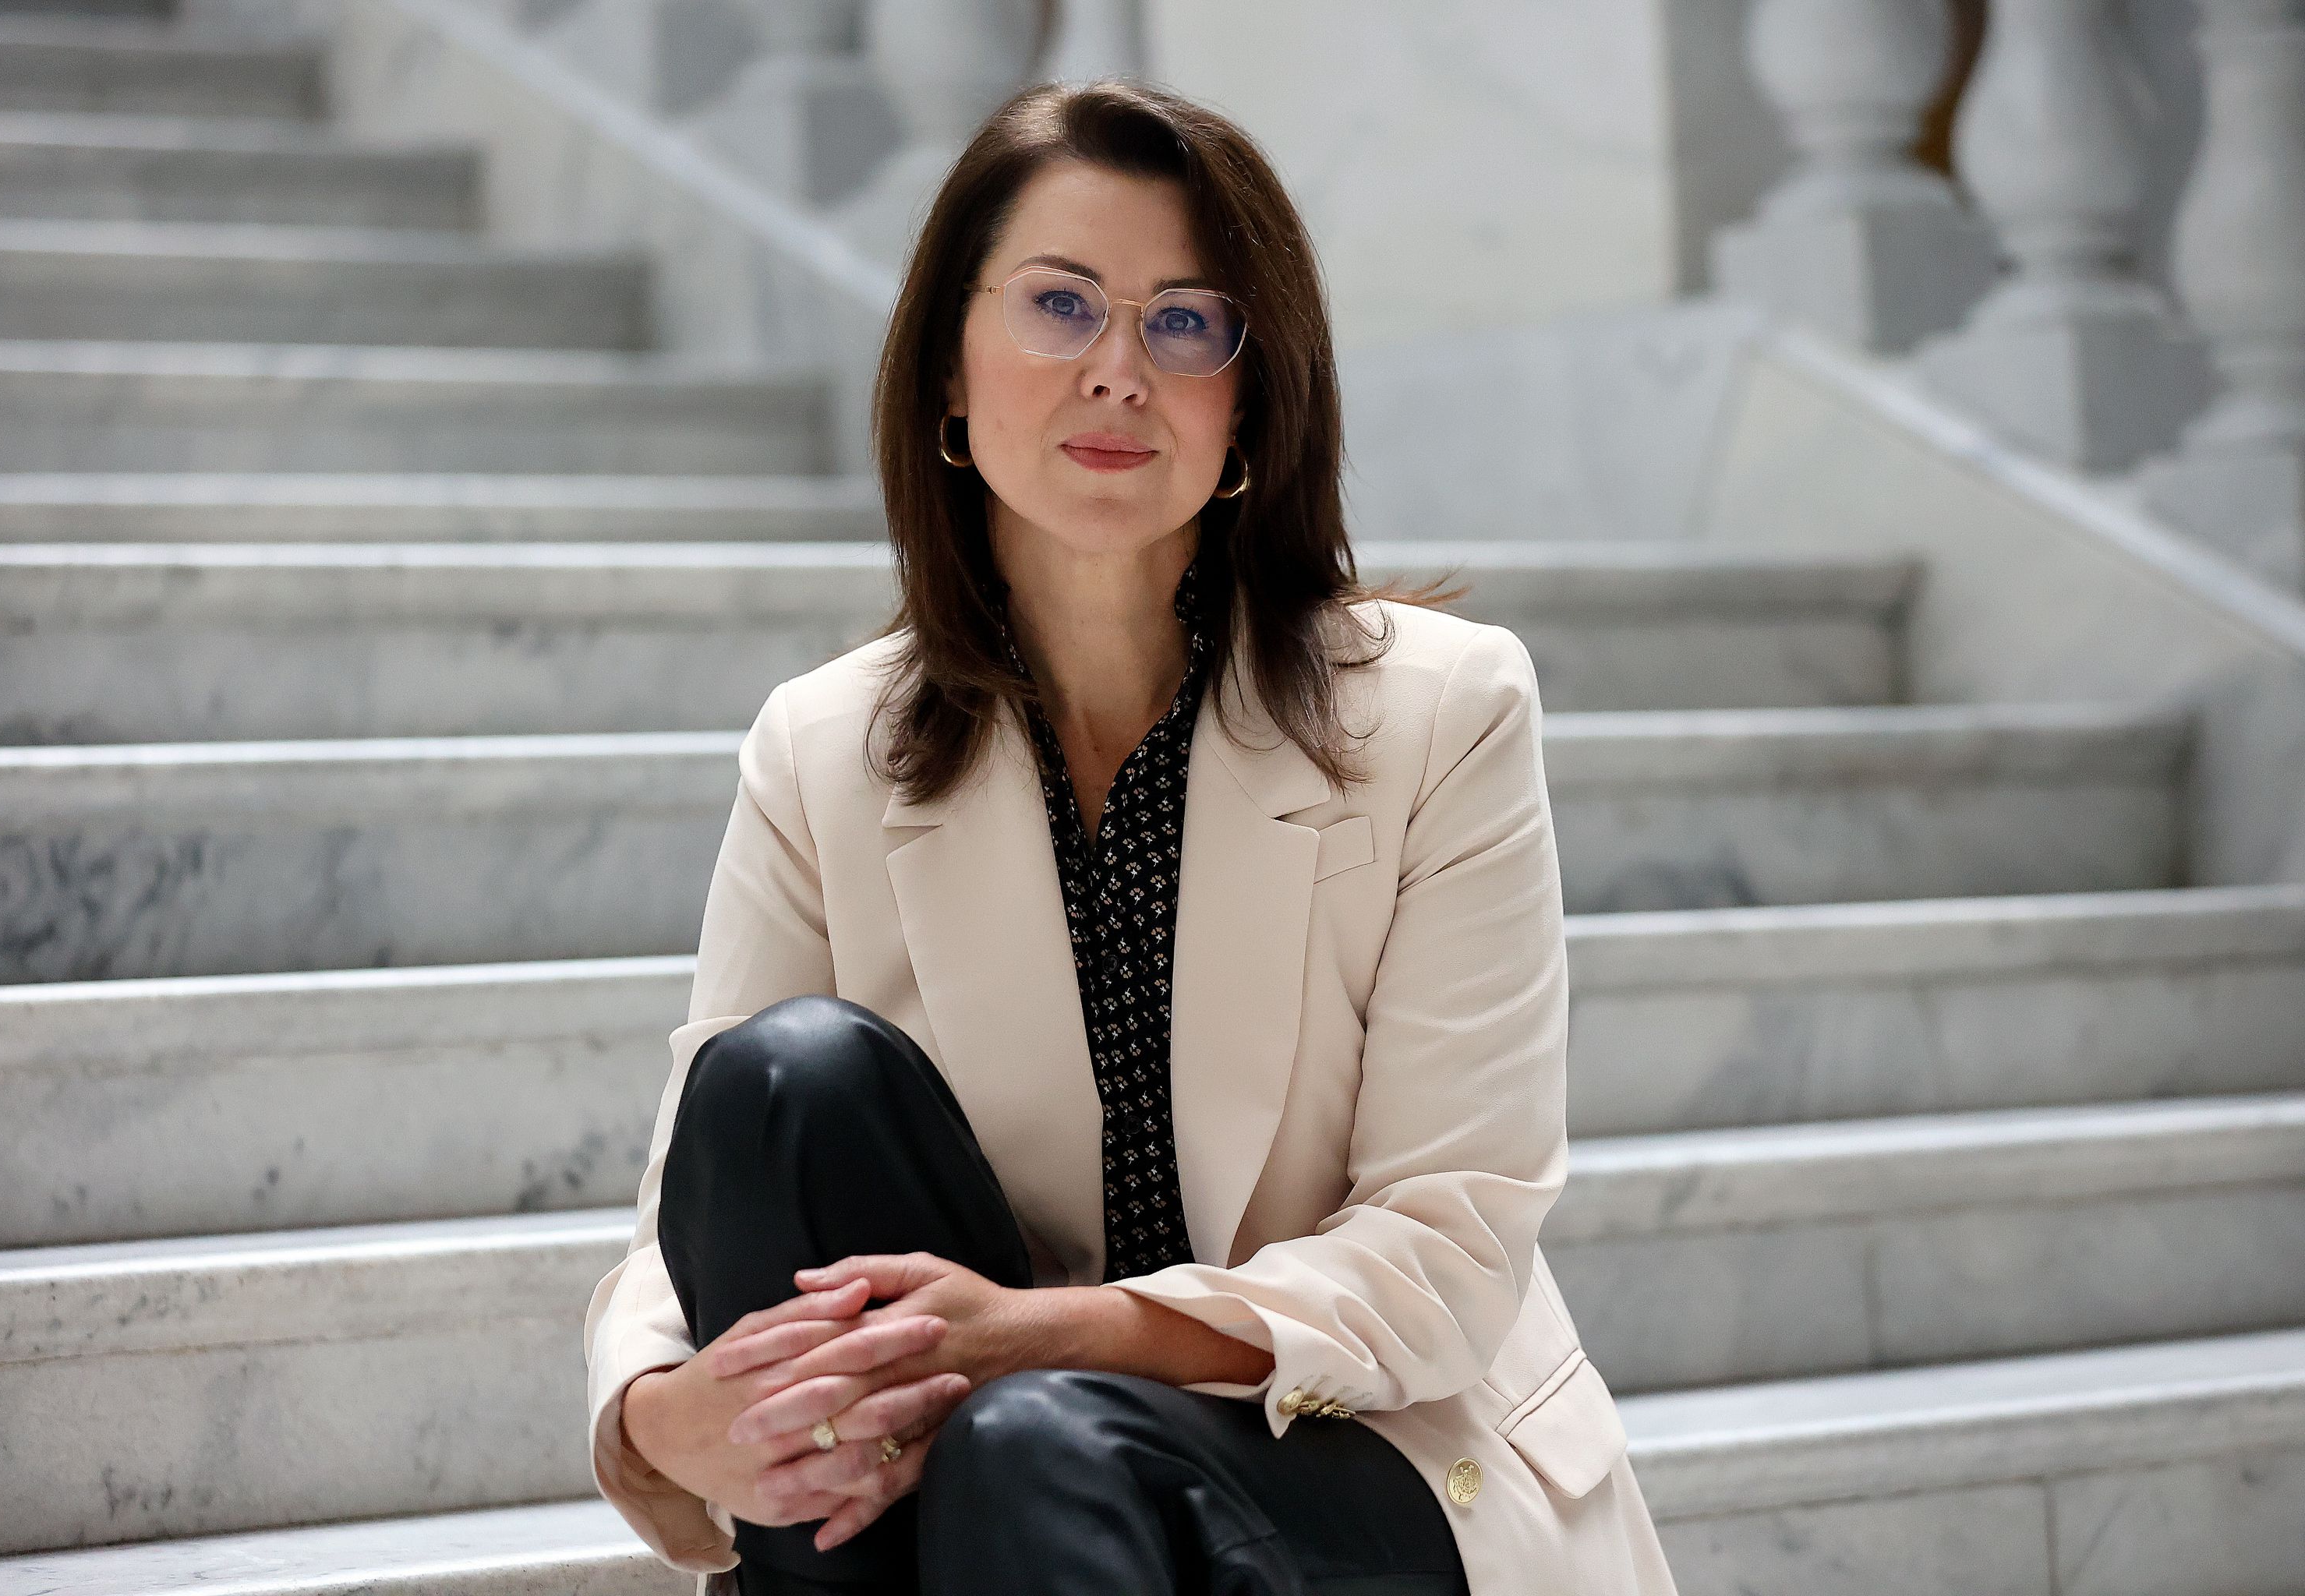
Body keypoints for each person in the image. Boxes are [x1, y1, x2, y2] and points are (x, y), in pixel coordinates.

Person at [582, 78, 1678, 1595]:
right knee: (785, 1081)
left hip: (1355, 1458)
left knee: (1035, 1436)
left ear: (1249, 405)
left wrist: (1046, 1340)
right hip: (970, 1483)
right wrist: (663, 1424)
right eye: (1060, 305)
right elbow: (691, 1223)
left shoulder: (1442, 712)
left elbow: (1445, 1249)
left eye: (1185, 323)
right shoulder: (822, 747)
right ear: (948, 369)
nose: (1118, 370)